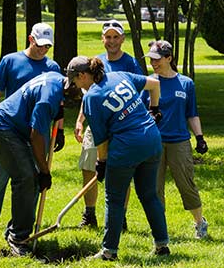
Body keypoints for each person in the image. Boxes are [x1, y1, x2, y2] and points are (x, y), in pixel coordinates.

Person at [66, 56, 170, 260]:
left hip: (126, 148)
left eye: (75, 82)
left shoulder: (91, 98)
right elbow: (155, 85)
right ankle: (162, 246)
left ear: (83, 75)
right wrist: (154, 110)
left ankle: (109, 252)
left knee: (114, 199)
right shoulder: (120, 76)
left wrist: (101, 163)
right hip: (151, 141)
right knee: (149, 195)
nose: (76, 87)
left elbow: (102, 140)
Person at [0, 23, 63, 230]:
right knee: (0, 175)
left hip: (38, 131)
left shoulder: (53, 67)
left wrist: (59, 130)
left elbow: (58, 105)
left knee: (34, 177)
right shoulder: (11, 61)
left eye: (47, 46)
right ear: (31, 39)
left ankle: (24, 220)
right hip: (11, 129)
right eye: (40, 45)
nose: (43, 50)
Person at [0, 71, 67, 256]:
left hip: (15, 128)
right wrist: (44, 171)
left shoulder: (56, 78)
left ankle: (15, 230)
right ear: (78, 78)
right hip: (0, 127)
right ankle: (18, 239)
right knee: (27, 178)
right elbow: (36, 137)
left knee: (30, 180)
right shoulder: (47, 100)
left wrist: (59, 113)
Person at [74, 19, 143, 230]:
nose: (112, 41)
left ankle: (119, 218)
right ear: (102, 39)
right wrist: (79, 120)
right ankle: (90, 214)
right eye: (108, 37)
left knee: (122, 171)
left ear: (122, 39)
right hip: (95, 123)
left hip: (121, 126)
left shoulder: (131, 64)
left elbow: (138, 95)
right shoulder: (95, 64)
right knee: (89, 166)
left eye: (116, 37)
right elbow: (89, 95)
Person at [142, 40, 209, 239]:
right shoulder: (148, 82)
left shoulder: (186, 83)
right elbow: (140, 111)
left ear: (169, 58)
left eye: (157, 59)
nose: (153, 63)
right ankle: (160, 231)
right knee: (154, 188)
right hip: (154, 142)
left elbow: (192, 113)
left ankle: (199, 223)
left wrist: (200, 137)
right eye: (151, 60)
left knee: (186, 184)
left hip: (179, 141)